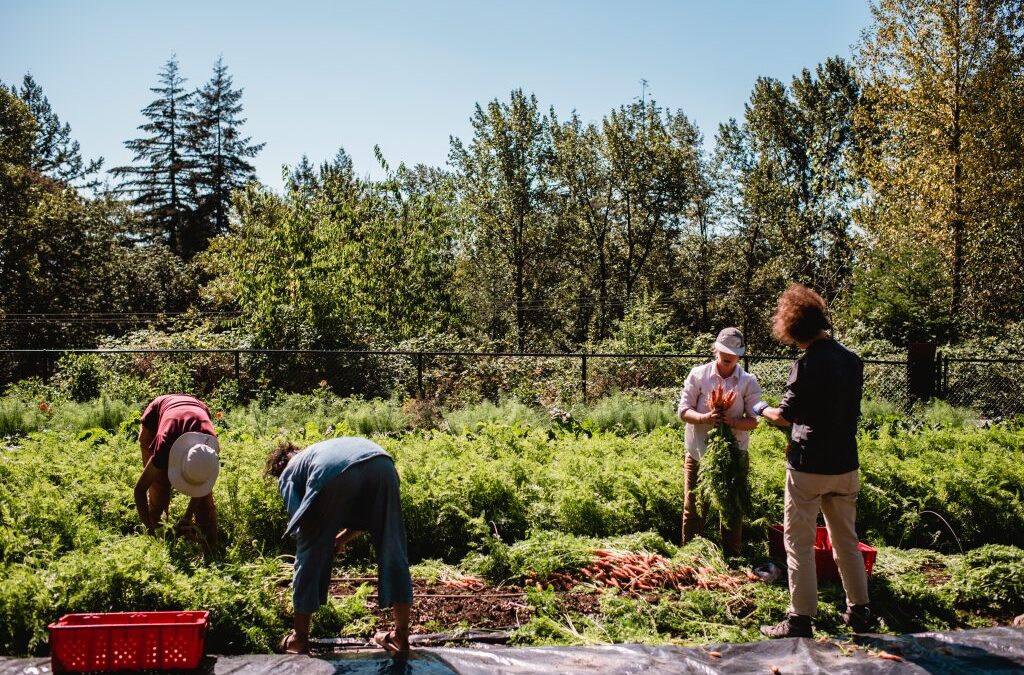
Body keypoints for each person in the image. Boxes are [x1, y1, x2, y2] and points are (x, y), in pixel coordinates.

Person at [755, 283, 876, 638]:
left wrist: (761, 408)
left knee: (799, 543)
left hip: (809, 467)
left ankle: (801, 619)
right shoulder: (853, 360)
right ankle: (859, 611)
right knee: (847, 540)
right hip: (845, 465)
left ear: (794, 327)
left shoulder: (807, 363)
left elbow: (786, 415)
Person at [266, 436, 414, 655]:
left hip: (333, 471)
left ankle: (299, 639)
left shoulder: (288, 472)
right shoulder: (320, 450)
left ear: (279, 467)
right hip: (382, 463)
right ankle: (401, 636)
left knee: (307, 551)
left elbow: (302, 526)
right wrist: (339, 540)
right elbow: (365, 516)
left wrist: (319, 544)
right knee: (393, 546)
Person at [677, 327, 762, 556]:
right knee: (694, 506)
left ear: (740, 355)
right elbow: (683, 411)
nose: (728, 358)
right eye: (724, 353)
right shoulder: (698, 374)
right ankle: (691, 555)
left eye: (733, 355)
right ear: (716, 350)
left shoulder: (748, 381)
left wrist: (732, 422)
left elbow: (754, 421)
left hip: (735, 453)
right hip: (698, 451)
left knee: (732, 506)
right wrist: (705, 417)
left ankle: (731, 556)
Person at [134, 394, 220, 551]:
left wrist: (187, 518)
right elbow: (139, 490)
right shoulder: (164, 443)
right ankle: (159, 540)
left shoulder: (210, 448)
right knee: (159, 485)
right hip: (157, 413)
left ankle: (211, 547)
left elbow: (201, 483)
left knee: (204, 501)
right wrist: (151, 532)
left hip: (198, 406)